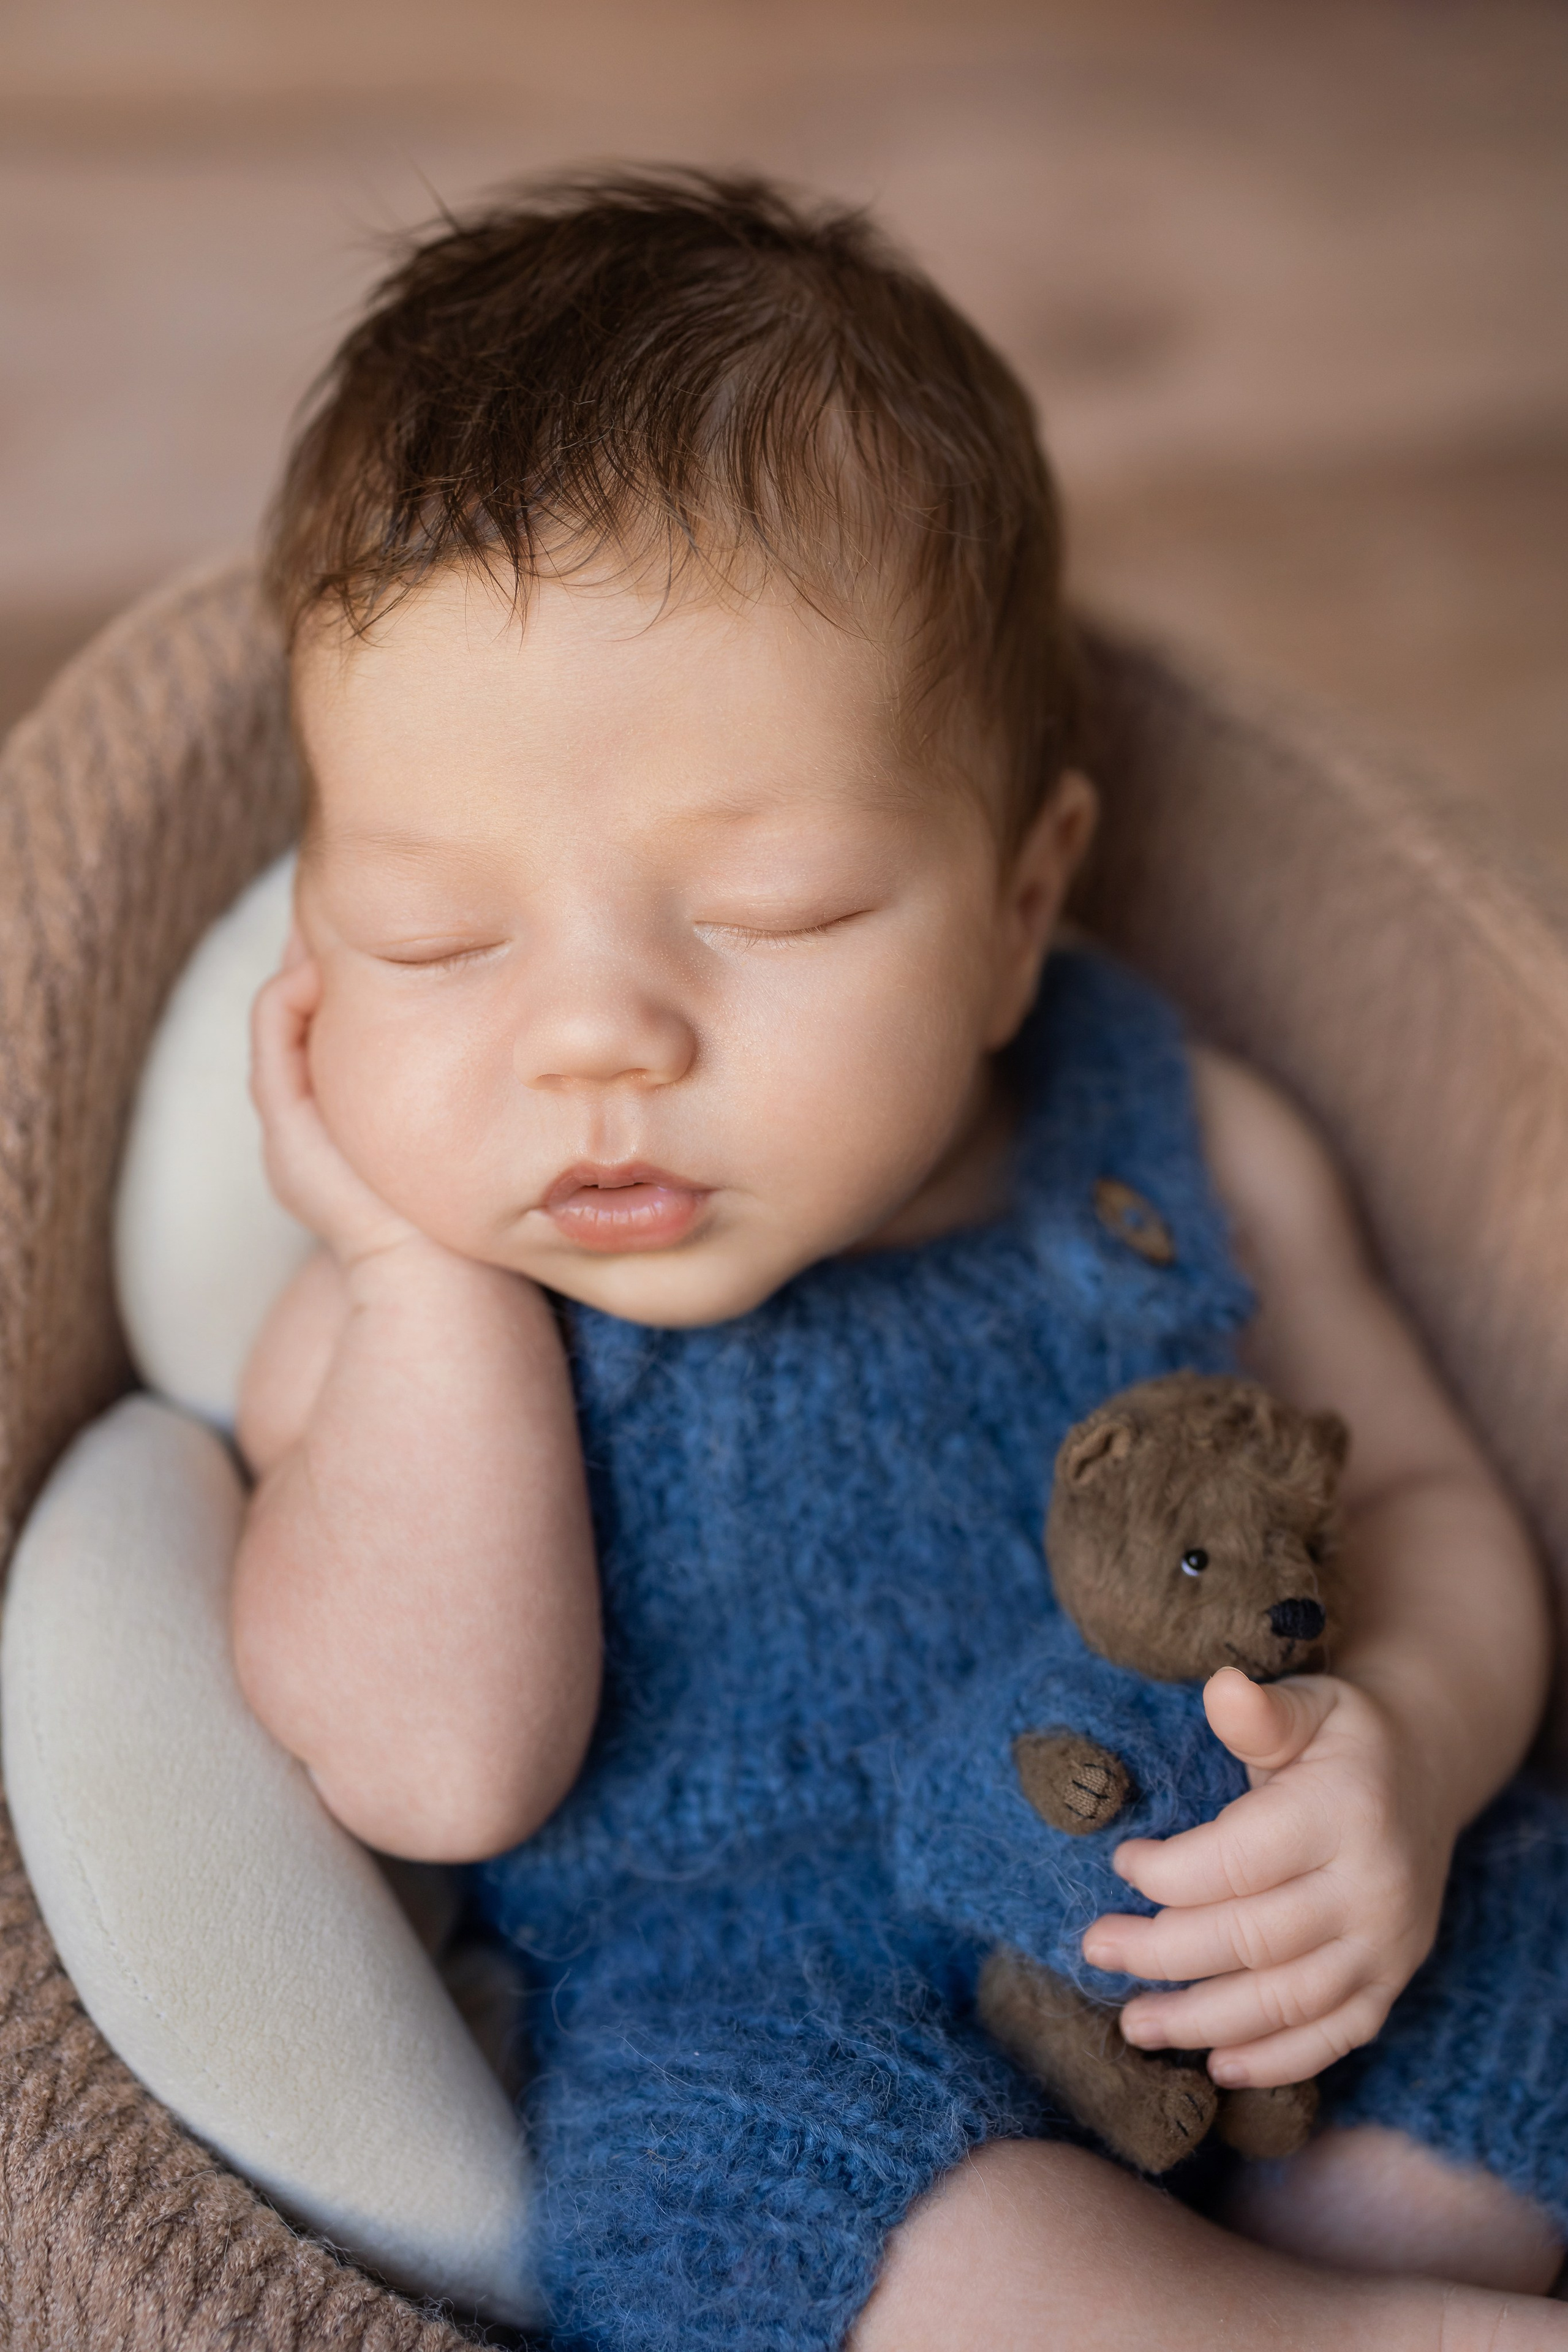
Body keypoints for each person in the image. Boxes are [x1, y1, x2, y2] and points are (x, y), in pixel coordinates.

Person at [229, 171, 1568, 2350]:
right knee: (728, 2187)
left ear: (1025, 902)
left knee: (1517, 1921)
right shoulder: (402, 1323)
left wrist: (1401, 1757)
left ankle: (1368, 2275)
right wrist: (414, 1277)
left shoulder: (1180, 1143)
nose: (593, 1042)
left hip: (1224, 1925)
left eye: (774, 914)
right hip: (782, 2024)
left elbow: (1427, 1503)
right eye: (433, 941)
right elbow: (439, 1769)